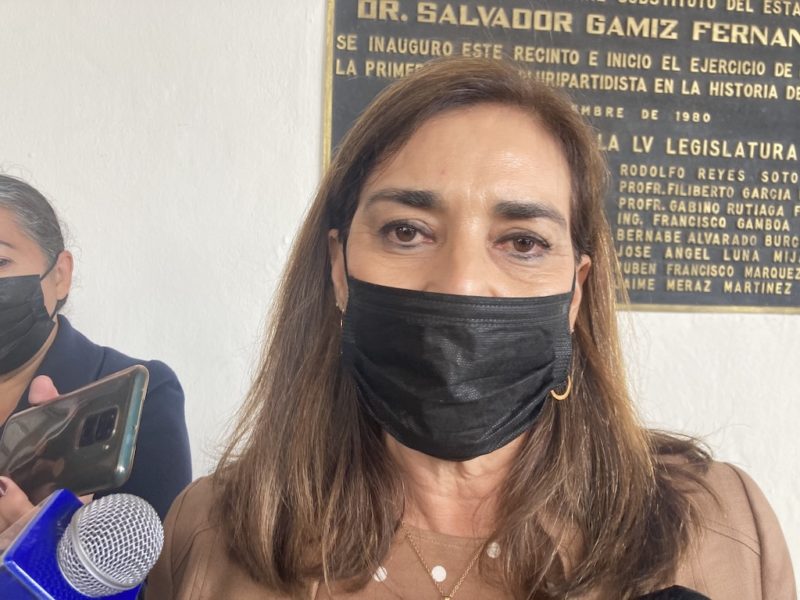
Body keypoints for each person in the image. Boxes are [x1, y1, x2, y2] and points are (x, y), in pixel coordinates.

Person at [148, 58, 795, 599]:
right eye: (407, 231)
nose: (460, 281)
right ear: (339, 270)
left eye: (522, 242)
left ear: (575, 293)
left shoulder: (722, 527)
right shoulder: (208, 535)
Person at [0, 175, 191, 523]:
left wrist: (51, 545)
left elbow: (161, 555)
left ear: (60, 274)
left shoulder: (139, 395)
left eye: (0, 262)